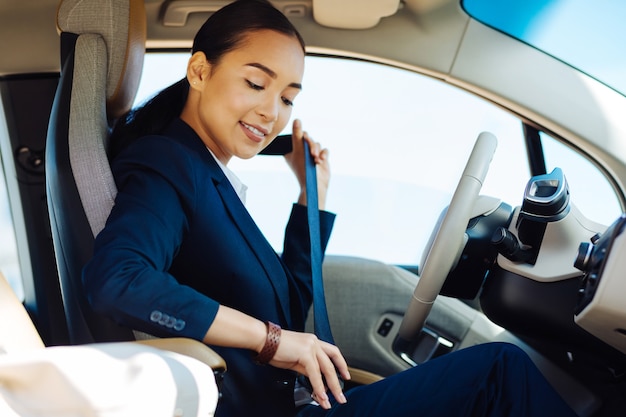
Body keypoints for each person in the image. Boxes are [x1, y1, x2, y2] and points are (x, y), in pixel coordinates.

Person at [83, 1, 579, 416]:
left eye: (287, 98)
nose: (271, 112)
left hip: (294, 403)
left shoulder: (210, 173)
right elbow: (117, 279)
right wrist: (272, 341)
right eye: (256, 84)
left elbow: (286, 308)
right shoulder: (167, 161)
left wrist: (311, 198)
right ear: (199, 70)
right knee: (497, 372)